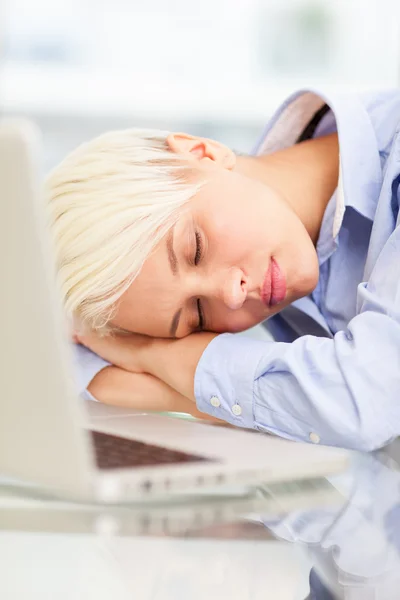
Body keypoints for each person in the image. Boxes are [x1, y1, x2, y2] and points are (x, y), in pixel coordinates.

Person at [45, 87, 400, 451]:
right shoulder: (292, 286)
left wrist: (154, 360)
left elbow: (367, 400)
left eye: (196, 249)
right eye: (198, 315)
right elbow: (66, 366)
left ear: (203, 153)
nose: (232, 295)